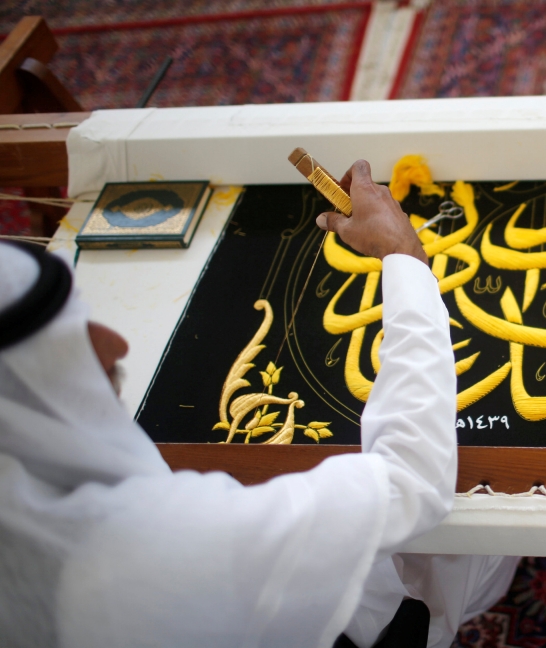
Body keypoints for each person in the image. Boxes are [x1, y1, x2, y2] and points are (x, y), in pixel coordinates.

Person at [0, 159, 518, 648]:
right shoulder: (162, 547)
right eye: (73, 345)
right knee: (483, 528)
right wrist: (403, 259)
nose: (118, 344)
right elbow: (411, 482)